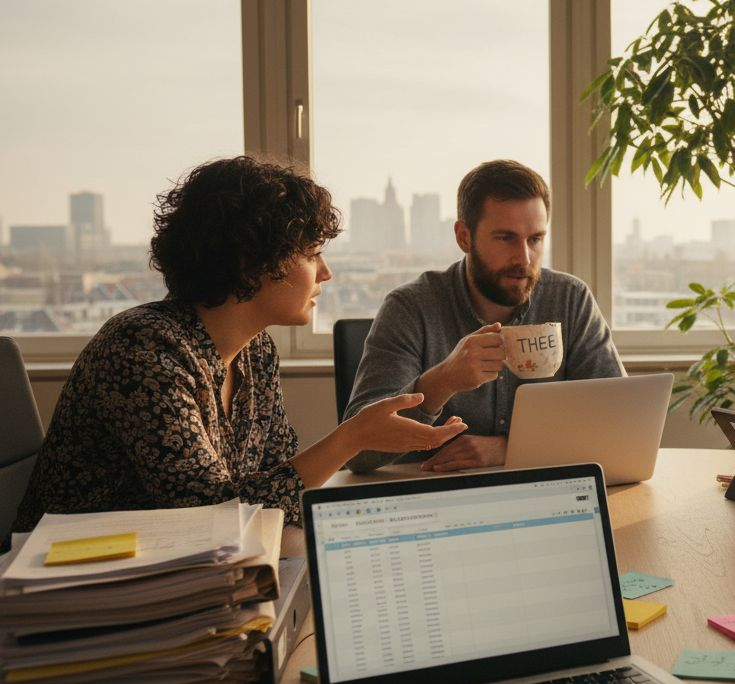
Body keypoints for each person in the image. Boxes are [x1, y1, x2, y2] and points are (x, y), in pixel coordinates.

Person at [15, 157, 466, 534]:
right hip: (83, 592)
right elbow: (211, 513)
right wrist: (352, 438)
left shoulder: (255, 352)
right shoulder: (143, 349)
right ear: (252, 262)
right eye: (311, 255)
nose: (325, 273)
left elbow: (276, 489)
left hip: (194, 576)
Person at [344, 159, 623, 473]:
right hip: (433, 499)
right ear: (464, 237)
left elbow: (617, 425)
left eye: (535, 239)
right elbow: (357, 453)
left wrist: (509, 449)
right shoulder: (411, 308)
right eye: (505, 238)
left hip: (545, 493)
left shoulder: (570, 299)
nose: (524, 258)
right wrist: (441, 381)